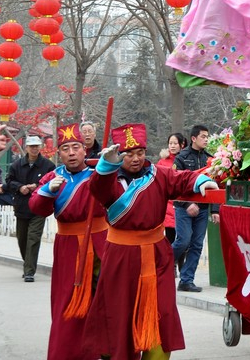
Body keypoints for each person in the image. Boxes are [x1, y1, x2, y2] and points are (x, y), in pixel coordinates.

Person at [86, 123, 217, 360]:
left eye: (140, 153)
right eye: (128, 154)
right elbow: (97, 189)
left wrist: (200, 182)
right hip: (120, 256)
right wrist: (107, 165)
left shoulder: (158, 174)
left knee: (161, 312)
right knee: (119, 312)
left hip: (157, 255)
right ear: (119, 155)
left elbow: (181, 179)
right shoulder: (110, 179)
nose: (135, 159)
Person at [28, 123, 108, 360]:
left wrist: (110, 167)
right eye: (65, 148)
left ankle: (107, 349)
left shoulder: (98, 174)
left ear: (85, 150)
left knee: (105, 299)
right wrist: (48, 192)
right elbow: (36, 207)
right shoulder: (53, 177)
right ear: (58, 153)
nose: (72, 152)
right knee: (68, 303)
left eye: (76, 147)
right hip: (68, 248)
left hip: (100, 241)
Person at [172, 124, 217, 292]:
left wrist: (215, 210)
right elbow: (175, 184)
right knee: (183, 240)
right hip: (183, 208)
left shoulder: (210, 159)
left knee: (197, 244)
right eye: (203, 136)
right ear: (193, 138)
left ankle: (186, 280)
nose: (206, 139)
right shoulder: (181, 158)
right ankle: (162, 263)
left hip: (203, 208)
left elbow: (216, 185)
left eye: (207, 137)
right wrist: (187, 204)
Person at [4, 134, 55, 282]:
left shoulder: (48, 165)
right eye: (31, 146)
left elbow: (53, 181)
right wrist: (20, 187)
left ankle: (29, 271)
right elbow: (9, 181)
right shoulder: (17, 165)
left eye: (37, 146)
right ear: (26, 148)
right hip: (21, 206)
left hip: (39, 207)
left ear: (40, 147)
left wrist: (37, 186)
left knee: (33, 238)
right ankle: (28, 264)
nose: (34, 149)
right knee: (22, 239)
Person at [156, 132, 185, 243]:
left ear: (182, 145)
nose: (172, 146)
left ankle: (180, 260)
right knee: (170, 235)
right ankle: (171, 260)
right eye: (170, 143)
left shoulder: (185, 160)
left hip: (183, 201)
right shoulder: (162, 162)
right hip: (168, 202)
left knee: (184, 239)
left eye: (175, 143)